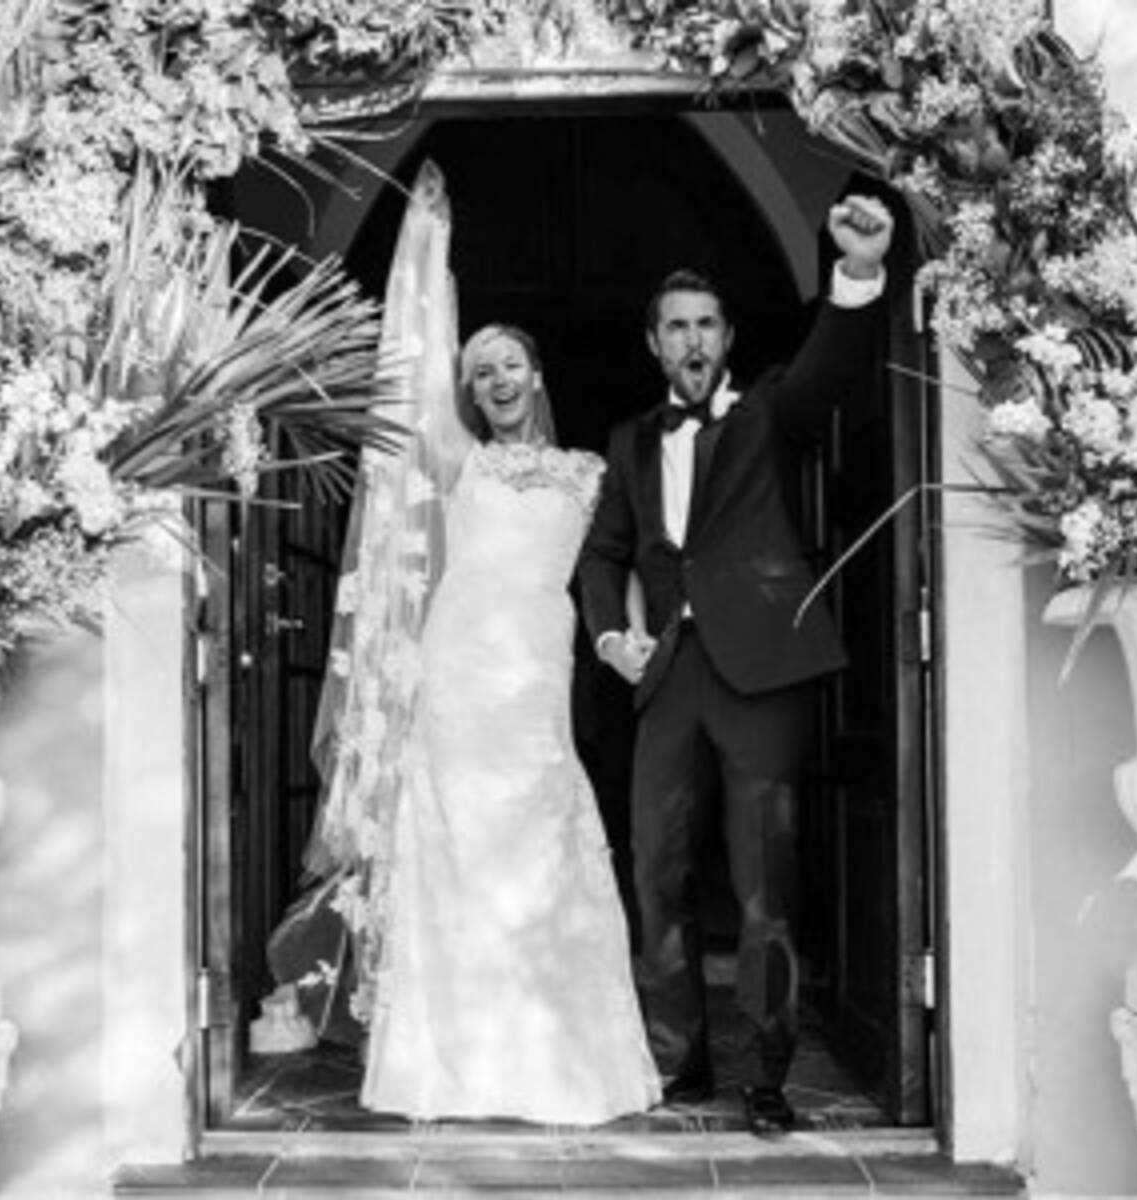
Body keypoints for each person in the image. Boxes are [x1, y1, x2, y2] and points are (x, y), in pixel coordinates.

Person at [270, 161, 660, 1125]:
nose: (496, 380)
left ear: (537, 375)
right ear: (471, 391)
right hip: (455, 677)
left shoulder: (588, 473)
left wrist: (634, 634)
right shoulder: (457, 460)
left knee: (542, 839)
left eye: (509, 365)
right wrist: (428, 246)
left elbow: (624, 560)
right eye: (480, 371)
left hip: (535, 680)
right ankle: (448, 1063)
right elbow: (414, 368)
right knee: (453, 844)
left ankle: (556, 1059)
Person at [578, 194, 894, 1135]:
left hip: (761, 674)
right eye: (676, 326)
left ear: (727, 337)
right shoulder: (630, 441)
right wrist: (611, 637)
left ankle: (766, 1074)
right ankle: (680, 1063)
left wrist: (859, 272)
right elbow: (603, 552)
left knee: (765, 887)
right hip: (668, 677)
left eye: (707, 324)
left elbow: (829, 369)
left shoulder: (767, 414)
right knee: (656, 874)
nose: (693, 339)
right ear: (654, 344)